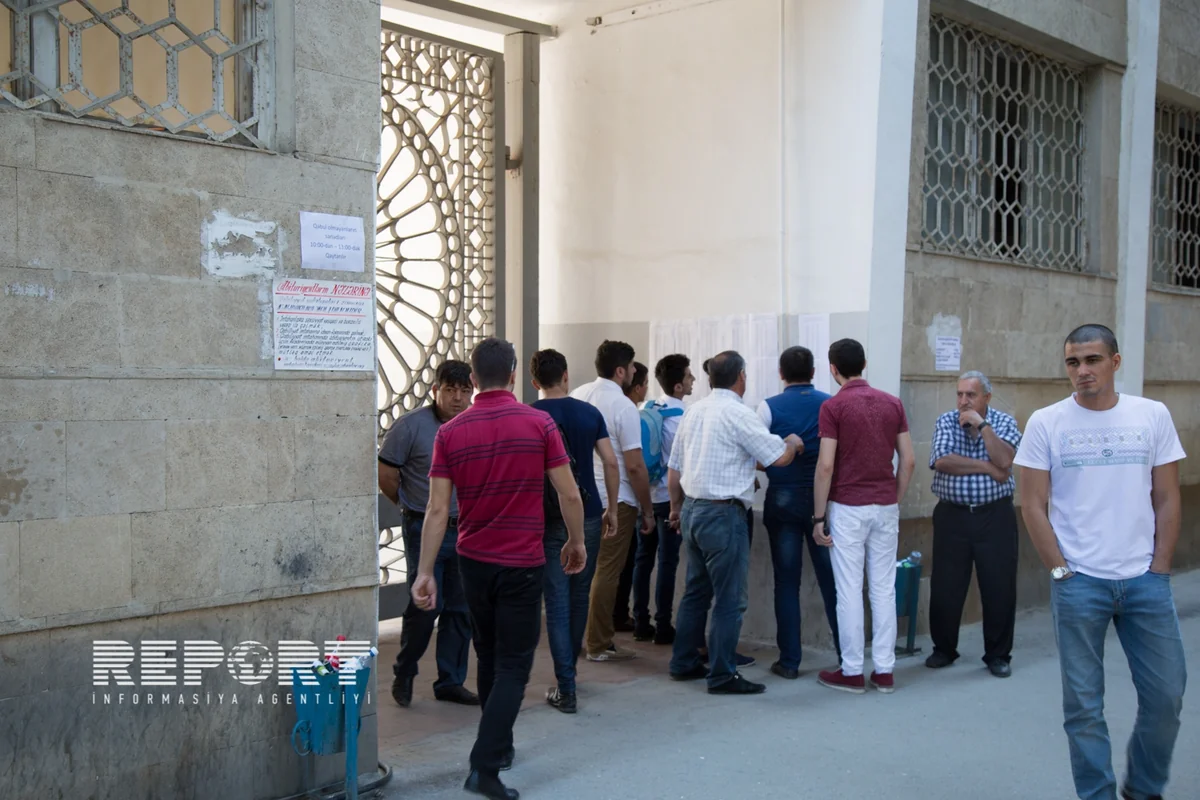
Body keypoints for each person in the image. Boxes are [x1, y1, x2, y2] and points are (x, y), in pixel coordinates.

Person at [1014, 324, 1187, 800]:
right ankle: (1098, 795)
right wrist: (1059, 571)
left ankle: (1144, 788)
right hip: (1080, 583)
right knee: (1084, 707)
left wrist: (1160, 566)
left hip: (1145, 581)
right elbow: (1032, 503)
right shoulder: (1047, 422)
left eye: (1092, 360)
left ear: (1115, 361)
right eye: (1073, 362)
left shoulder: (1151, 415)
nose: (1082, 371)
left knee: (1167, 696)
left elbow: (1168, 497)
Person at [411, 337, 587, 800]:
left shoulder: (450, 433)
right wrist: (576, 540)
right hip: (522, 563)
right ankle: (484, 767)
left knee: (488, 656)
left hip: (473, 561)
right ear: (513, 375)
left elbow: (436, 510)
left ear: (472, 381)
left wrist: (424, 571)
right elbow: (569, 494)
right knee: (514, 665)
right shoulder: (539, 423)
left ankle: (500, 744)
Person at [666, 351, 803, 694]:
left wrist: (675, 508)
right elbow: (778, 457)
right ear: (741, 376)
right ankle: (723, 674)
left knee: (696, 592)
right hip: (723, 514)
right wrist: (794, 443)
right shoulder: (739, 413)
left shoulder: (694, 410)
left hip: (693, 509)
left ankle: (683, 662)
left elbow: (675, 466)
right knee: (730, 599)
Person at [812, 338, 915, 695]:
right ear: (865, 363)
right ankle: (885, 670)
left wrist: (818, 517)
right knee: (884, 588)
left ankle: (852, 670)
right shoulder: (893, 403)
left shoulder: (833, 407)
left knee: (849, 589)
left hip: (848, 507)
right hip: (885, 504)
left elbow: (826, 465)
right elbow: (909, 460)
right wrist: (893, 498)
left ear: (832, 368)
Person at [377, 360, 478, 708]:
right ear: (435, 390)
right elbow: (387, 474)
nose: (457, 398)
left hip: (464, 529)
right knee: (425, 606)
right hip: (423, 527)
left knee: (460, 608)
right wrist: (408, 506)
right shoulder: (410, 427)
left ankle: (450, 681)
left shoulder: (475, 425)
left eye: (465, 391)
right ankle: (404, 672)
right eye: (450, 390)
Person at [530, 349, 621, 713]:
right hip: (588, 510)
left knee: (555, 599)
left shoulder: (531, 415)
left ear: (535, 382)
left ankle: (565, 683)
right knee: (579, 592)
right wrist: (612, 507)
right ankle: (570, 674)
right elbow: (611, 462)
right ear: (566, 376)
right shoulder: (590, 413)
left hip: (547, 515)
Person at [927, 370, 1022, 678]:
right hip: (952, 515)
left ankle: (997, 654)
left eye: (971, 395)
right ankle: (943, 649)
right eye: (960, 394)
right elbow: (942, 460)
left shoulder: (1005, 422)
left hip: (994, 516)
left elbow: (1005, 460)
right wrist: (985, 466)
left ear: (986, 398)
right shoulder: (946, 421)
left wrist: (983, 427)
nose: (963, 401)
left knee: (999, 585)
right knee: (946, 585)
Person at [756, 346, 839, 679]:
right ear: (814, 371)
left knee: (786, 582)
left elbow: (756, 453)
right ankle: (846, 654)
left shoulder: (768, 407)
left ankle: (789, 661)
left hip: (783, 497)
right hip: (824, 501)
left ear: (780, 373)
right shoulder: (829, 404)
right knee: (832, 580)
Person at [571, 341, 656, 662]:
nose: (635, 372)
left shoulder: (578, 394)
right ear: (620, 371)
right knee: (607, 571)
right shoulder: (622, 407)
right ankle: (597, 643)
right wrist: (647, 510)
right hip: (615, 500)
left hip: (577, 497)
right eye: (632, 366)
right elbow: (634, 465)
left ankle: (575, 639)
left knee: (578, 570)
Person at [630, 354, 694, 644]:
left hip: (646, 495)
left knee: (643, 560)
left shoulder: (648, 407)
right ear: (679, 386)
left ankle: (641, 621)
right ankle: (664, 625)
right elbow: (684, 462)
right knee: (667, 562)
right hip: (671, 499)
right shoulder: (684, 416)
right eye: (690, 376)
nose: (693, 380)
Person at [612, 361, 650, 633]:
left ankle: (620, 615)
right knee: (621, 565)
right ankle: (614, 621)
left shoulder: (595, 401)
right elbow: (636, 465)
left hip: (605, 497)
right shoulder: (629, 412)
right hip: (627, 498)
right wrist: (646, 508)